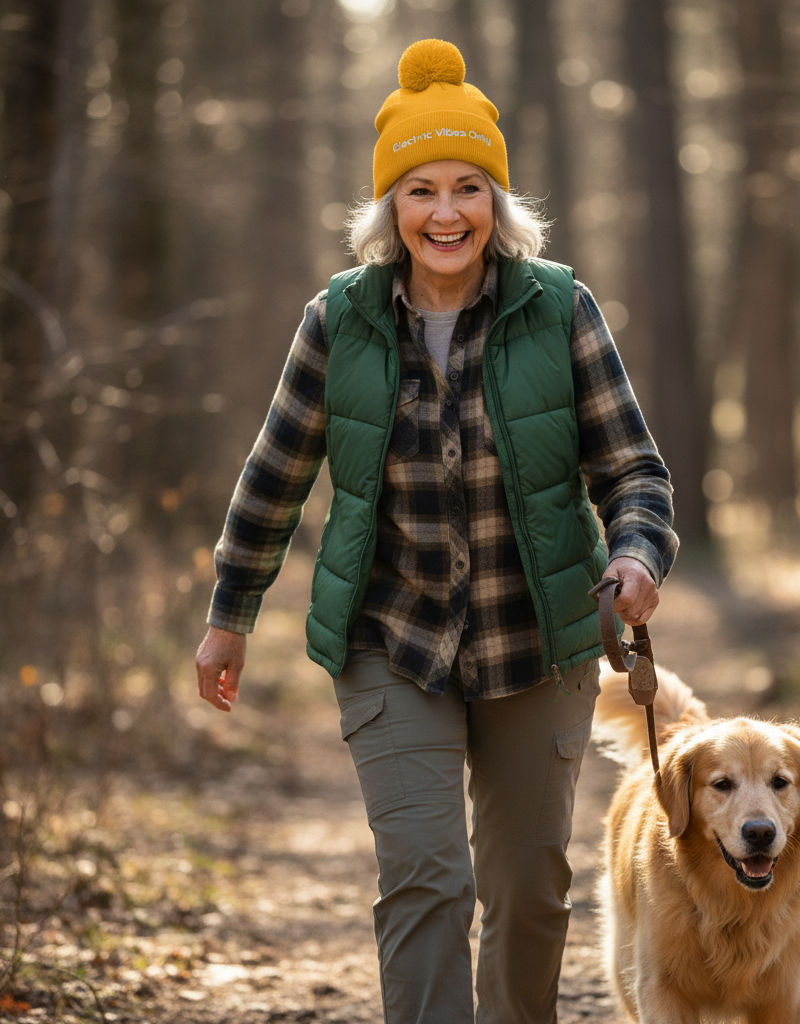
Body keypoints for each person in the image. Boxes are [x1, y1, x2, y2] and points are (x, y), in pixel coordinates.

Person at [195, 38, 678, 1024]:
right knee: (426, 879)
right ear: (390, 209)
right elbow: (274, 477)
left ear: (498, 204)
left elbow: (634, 469)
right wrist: (229, 612)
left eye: (469, 187)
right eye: (420, 190)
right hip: (390, 639)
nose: (447, 212)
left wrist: (635, 551)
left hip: (537, 641)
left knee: (531, 890)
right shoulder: (338, 322)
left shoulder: (562, 311)